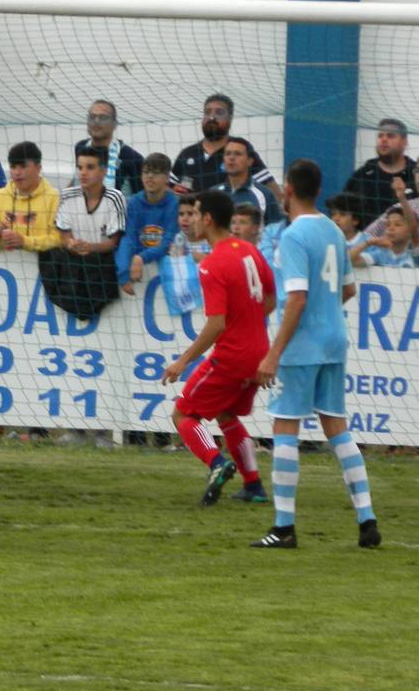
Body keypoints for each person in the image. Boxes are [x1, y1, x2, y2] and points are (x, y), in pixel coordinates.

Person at [252, 159, 381, 549]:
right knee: (337, 428)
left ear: (288, 190)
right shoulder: (333, 230)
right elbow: (348, 290)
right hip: (334, 341)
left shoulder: (293, 236)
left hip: (303, 346)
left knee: (285, 428)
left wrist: (273, 353)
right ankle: (367, 520)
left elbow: (296, 299)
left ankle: (284, 527)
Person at [161, 190, 275, 507]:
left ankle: (216, 463)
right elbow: (270, 300)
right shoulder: (251, 252)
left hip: (232, 356)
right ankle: (253, 485)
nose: (191, 219)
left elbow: (216, 325)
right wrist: (248, 323)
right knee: (226, 414)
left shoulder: (212, 264)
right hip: (258, 355)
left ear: (208, 219)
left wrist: (182, 362)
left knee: (183, 413)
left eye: (195, 213)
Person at [41, 145, 126, 320]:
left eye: (90, 167)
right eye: (79, 168)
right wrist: (71, 243)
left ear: (103, 171)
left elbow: (113, 242)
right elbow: (64, 235)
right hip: (73, 268)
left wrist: (90, 247)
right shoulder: (66, 196)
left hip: (101, 270)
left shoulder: (115, 198)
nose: (83, 173)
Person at [170, 94, 279, 199]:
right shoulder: (187, 153)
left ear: (230, 118)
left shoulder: (240, 148)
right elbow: (166, 187)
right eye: (207, 112)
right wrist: (172, 191)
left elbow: (272, 190)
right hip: (194, 216)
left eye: (219, 112)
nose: (212, 117)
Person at [115, 153, 179, 296]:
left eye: (156, 173)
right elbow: (128, 238)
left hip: (164, 272)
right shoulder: (133, 203)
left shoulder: (175, 205)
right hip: (137, 275)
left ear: (167, 177)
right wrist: (123, 272)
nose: (149, 176)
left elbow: (168, 242)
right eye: (145, 172)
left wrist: (141, 258)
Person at [0, 141, 61, 253]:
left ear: (38, 168)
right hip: (5, 267)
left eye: (23, 166)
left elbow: (59, 240)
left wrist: (24, 241)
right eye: (13, 167)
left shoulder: (54, 198)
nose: (17, 173)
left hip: (44, 266)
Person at [343, 118, 415, 225]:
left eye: (390, 136)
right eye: (380, 135)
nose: (384, 139)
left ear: (404, 142)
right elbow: (344, 210)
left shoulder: (414, 175)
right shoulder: (362, 175)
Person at [73, 100, 143, 197]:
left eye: (103, 118)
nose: (96, 122)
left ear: (115, 124)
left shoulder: (131, 157)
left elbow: (141, 198)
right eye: (92, 117)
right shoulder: (80, 147)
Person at [211, 137, 283, 225]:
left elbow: (275, 232)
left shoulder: (264, 194)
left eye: (237, 154)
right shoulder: (213, 193)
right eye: (227, 154)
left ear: (250, 161)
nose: (231, 158)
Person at [160, 194, 208, 316]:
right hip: (191, 306)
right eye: (181, 214)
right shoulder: (177, 239)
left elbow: (219, 262)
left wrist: (195, 257)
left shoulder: (209, 239)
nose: (185, 218)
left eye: (190, 214)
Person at [354, 205, 419, 268]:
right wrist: (369, 243)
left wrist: (402, 198)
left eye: (397, 224)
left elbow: (413, 229)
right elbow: (350, 261)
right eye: (388, 225)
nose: (391, 228)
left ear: (410, 230)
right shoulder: (381, 254)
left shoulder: (414, 255)